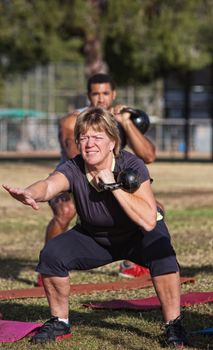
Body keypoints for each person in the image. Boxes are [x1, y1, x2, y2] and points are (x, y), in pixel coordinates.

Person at [3, 107, 188, 347]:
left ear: (112, 142)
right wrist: (30, 192)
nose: (89, 144)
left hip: (137, 234)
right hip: (95, 237)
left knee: (162, 252)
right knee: (52, 255)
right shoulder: (74, 167)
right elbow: (49, 186)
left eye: (97, 137)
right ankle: (60, 321)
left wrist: (114, 186)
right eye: (84, 137)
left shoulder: (132, 165)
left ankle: (173, 324)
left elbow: (148, 220)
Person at [42, 73, 156, 283]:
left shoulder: (120, 120)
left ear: (113, 94)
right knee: (66, 211)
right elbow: (75, 155)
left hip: (108, 178)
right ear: (88, 96)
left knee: (152, 208)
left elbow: (148, 156)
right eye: (95, 94)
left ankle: (130, 265)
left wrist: (126, 123)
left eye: (105, 93)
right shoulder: (72, 120)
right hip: (74, 176)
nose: (101, 99)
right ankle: (47, 268)